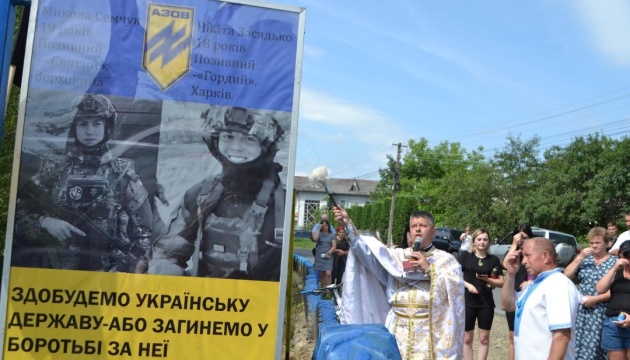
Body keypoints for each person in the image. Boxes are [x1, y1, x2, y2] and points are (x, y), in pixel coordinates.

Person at [13, 93, 153, 272]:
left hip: (106, 277)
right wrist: (45, 222)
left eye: (96, 124)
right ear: (74, 127)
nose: (90, 131)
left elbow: (144, 234)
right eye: (83, 124)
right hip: (55, 274)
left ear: (107, 127)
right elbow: (18, 217)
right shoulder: (55, 170)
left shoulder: (123, 174)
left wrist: (125, 269)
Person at [149, 106, 285, 281]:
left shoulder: (282, 203)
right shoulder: (201, 194)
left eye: (248, 139)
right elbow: (168, 254)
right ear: (216, 139)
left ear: (264, 146)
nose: (236, 147)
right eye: (228, 136)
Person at [335, 206, 465, 359]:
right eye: (414, 226)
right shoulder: (397, 256)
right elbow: (369, 255)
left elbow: (455, 289)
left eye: (422, 226)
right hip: (398, 327)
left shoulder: (445, 259)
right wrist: (348, 225)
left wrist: (429, 269)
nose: (418, 229)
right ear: (409, 231)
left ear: (433, 231)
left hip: (429, 329)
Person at [501, 237, 580, 360]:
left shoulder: (558, 284)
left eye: (527, 255)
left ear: (545, 256)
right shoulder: (534, 284)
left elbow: (562, 336)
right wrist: (511, 274)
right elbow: (508, 305)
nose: (523, 261)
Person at [564, 227, 615, 360]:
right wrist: (580, 257)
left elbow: (617, 290)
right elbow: (566, 276)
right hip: (581, 310)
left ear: (606, 243)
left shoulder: (614, 262)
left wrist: (596, 299)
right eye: (591, 243)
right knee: (577, 342)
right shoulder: (585, 260)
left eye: (597, 243)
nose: (594, 246)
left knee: (596, 346)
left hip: (601, 311)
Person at [458, 228, 504, 360]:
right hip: (468, 301)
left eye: (485, 239)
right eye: (479, 239)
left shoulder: (493, 260)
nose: (482, 242)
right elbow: (455, 277)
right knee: (467, 338)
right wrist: (468, 285)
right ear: (474, 241)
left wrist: (488, 280)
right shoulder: (466, 256)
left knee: (484, 338)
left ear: (489, 242)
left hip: (486, 303)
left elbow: (501, 282)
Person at [502, 224, 535, 360]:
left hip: (531, 296)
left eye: (525, 237)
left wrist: (531, 283)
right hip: (514, 296)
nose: (521, 240)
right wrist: (514, 244)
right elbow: (505, 265)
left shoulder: (534, 253)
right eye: (518, 237)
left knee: (528, 335)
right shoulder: (513, 251)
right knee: (512, 336)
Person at [595, 240, 630, 360]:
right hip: (613, 323)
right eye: (625, 257)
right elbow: (600, 289)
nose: (627, 261)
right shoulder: (617, 271)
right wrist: (614, 268)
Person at [312, 219, 336, 287]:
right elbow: (315, 239)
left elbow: (334, 246)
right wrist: (319, 229)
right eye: (323, 225)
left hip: (328, 255)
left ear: (328, 226)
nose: (325, 227)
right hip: (320, 255)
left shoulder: (332, 235)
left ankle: (329, 290)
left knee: (328, 273)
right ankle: (322, 289)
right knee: (322, 274)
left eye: (326, 225)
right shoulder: (319, 234)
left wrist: (328, 253)